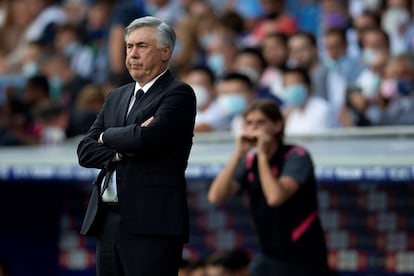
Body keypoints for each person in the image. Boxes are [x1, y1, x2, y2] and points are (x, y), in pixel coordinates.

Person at [77, 16, 196, 276]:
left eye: (142, 46)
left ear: (165, 52)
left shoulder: (179, 93)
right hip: (107, 219)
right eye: (129, 46)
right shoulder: (116, 96)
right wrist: (121, 147)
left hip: (152, 222)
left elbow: (147, 139)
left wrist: (106, 136)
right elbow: (84, 151)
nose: (132, 53)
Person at [207, 99, 330, 276]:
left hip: (304, 256)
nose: (254, 128)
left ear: (277, 125)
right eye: (249, 123)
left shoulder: (296, 156)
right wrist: (238, 153)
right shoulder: (250, 161)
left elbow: (275, 197)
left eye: (260, 122)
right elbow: (215, 197)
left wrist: (263, 156)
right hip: (270, 253)